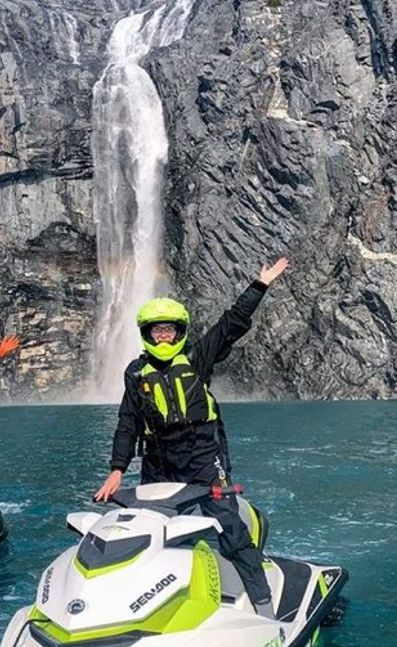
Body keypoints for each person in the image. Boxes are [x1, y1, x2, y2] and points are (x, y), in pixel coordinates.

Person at [94, 258, 289, 618]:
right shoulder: (136, 374)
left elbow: (229, 325)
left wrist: (259, 285)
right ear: (147, 334)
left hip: (202, 456)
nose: (164, 336)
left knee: (229, 526)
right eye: (158, 331)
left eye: (170, 330)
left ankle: (264, 605)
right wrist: (117, 469)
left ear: (179, 332)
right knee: (149, 529)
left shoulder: (197, 358)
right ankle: (143, 605)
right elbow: (127, 421)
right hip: (159, 460)